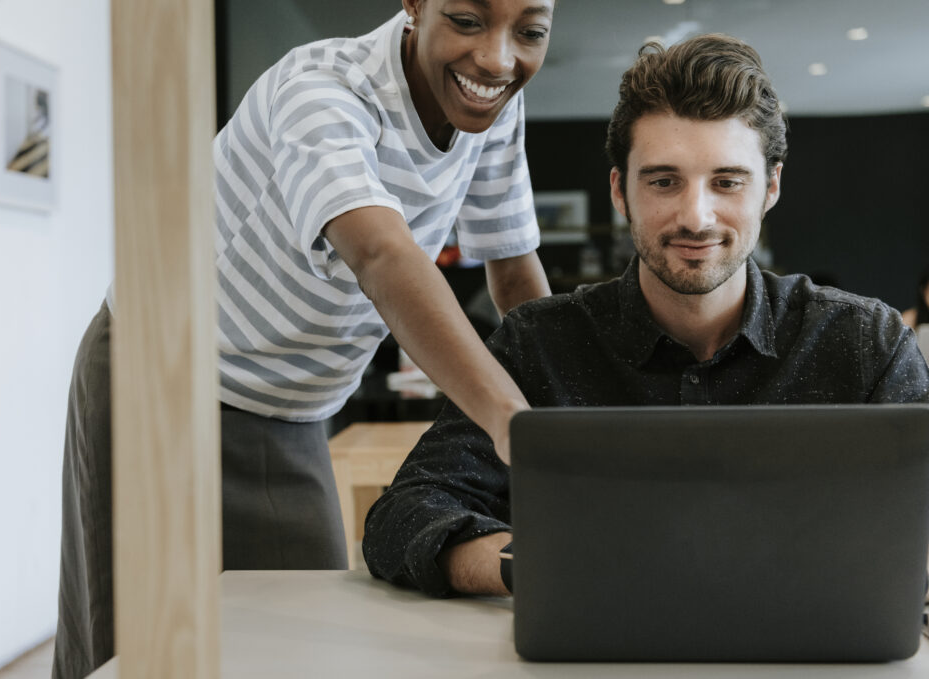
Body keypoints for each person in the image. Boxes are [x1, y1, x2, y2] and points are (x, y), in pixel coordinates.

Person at [52, 1, 557, 677]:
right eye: (468, 19)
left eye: (529, 31)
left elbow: (517, 275)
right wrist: (517, 425)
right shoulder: (322, 89)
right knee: (139, 654)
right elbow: (381, 254)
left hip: (294, 412)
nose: (498, 59)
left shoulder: (491, 109)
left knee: (310, 648)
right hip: (159, 378)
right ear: (414, 3)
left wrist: (573, 420)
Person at [362, 33, 929, 598]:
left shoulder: (864, 342)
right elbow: (402, 516)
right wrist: (534, 564)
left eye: (727, 182)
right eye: (663, 181)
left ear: (771, 187)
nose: (696, 217)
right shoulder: (538, 342)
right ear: (619, 190)